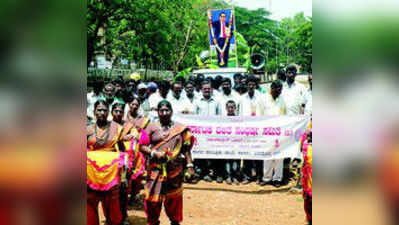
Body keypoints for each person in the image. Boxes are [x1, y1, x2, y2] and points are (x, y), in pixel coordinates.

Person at [140, 100, 195, 225]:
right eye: (161, 111)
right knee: (153, 199)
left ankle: (174, 221)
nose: (164, 113)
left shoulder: (180, 128)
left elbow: (186, 149)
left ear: (172, 112)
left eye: (167, 110)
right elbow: (142, 146)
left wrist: (190, 166)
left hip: (174, 170)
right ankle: (153, 221)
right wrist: (154, 153)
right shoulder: (151, 127)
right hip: (155, 169)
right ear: (158, 112)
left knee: (174, 198)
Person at [87, 100, 124, 225]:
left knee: (112, 207)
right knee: (90, 206)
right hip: (91, 175)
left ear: (108, 112)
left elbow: (123, 151)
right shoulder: (87, 129)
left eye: (104, 110)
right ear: (94, 112)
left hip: (111, 175)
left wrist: (123, 175)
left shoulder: (117, 129)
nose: (102, 113)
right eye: (99, 110)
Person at [123, 96, 151, 210]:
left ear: (139, 106)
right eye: (132, 104)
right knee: (124, 174)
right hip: (125, 152)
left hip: (138, 152)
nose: (134, 106)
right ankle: (124, 198)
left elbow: (146, 135)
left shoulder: (143, 120)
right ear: (129, 104)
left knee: (137, 175)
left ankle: (134, 197)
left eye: (136, 104)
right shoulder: (123, 118)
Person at [194, 80, 221, 182]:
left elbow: (220, 117)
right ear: (201, 90)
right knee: (203, 154)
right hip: (201, 134)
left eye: (208, 89)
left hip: (214, 133)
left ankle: (216, 173)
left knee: (215, 153)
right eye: (205, 89)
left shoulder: (216, 101)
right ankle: (205, 173)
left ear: (212, 90)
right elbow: (194, 118)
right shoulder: (197, 101)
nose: (207, 90)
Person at [239, 75, 264, 184]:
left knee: (258, 154)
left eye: (253, 84)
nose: (251, 86)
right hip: (246, 130)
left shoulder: (261, 97)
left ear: (255, 85)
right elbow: (239, 114)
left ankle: (259, 176)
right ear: (246, 85)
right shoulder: (242, 98)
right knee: (247, 154)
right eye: (249, 84)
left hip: (258, 130)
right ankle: (247, 176)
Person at [262, 80, 287, 187]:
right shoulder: (263, 99)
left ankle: (277, 178)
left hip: (279, 133)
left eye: (280, 90)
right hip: (267, 132)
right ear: (271, 89)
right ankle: (267, 178)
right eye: (277, 90)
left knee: (279, 156)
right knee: (267, 155)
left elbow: (285, 115)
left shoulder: (282, 99)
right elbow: (259, 115)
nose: (279, 92)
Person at [225, 100, 240, 185]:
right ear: (226, 108)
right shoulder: (222, 119)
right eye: (229, 107)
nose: (230, 109)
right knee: (227, 160)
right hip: (226, 144)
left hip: (236, 144)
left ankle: (235, 177)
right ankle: (228, 176)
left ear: (235, 108)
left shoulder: (239, 119)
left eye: (232, 107)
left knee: (235, 161)